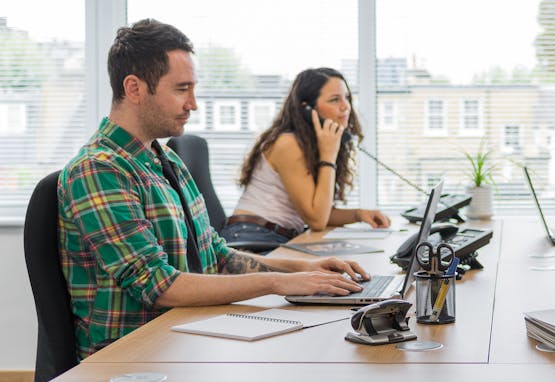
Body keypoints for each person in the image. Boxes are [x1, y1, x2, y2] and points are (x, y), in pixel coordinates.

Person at [58, 19, 370, 359]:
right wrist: (278, 283)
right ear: (134, 88)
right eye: (181, 89)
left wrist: (304, 270)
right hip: (133, 356)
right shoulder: (100, 169)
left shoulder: (166, 161)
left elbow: (216, 256)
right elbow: (158, 285)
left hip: (186, 333)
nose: (193, 103)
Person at [219, 67, 390, 246]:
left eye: (346, 97)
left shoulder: (310, 144)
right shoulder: (288, 144)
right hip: (251, 238)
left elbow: (319, 211)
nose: (345, 106)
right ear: (307, 109)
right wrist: (328, 157)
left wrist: (359, 214)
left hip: (274, 236)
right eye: (334, 100)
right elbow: (317, 220)